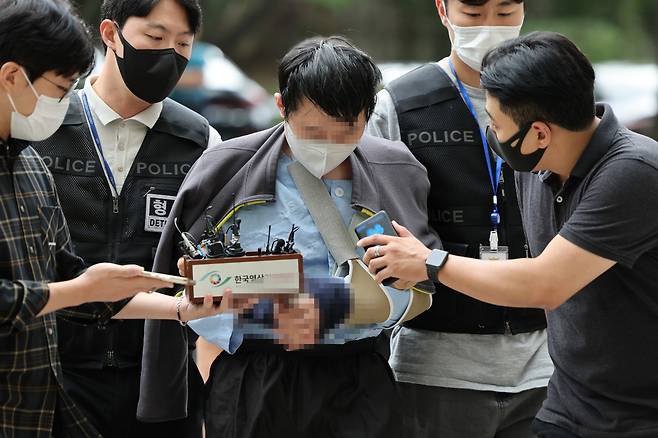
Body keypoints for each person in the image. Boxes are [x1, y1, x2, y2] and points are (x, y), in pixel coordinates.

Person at [137, 36, 441, 438]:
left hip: (359, 378)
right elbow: (182, 288)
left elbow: (422, 278)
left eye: (348, 129)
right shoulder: (226, 169)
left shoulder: (397, 168)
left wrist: (335, 312)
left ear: (369, 112)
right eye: (314, 130)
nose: (331, 144)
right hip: (255, 378)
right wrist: (264, 319)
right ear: (281, 106)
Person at [359, 31, 658, 438]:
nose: (493, 138)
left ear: (539, 133)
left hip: (638, 413)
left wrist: (429, 262)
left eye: (497, 125)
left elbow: (544, 283)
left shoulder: (634, 172)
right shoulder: (536, 166)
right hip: (571, 402)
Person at [0, 1, 221, 437]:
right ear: (111, 34)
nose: (168, 56)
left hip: (150, 383)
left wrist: (183, 307)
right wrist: (80, 288)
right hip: (49, 378)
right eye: (155, 39)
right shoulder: (39, 139)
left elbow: (78, 279)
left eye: (182, 45)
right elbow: (76, 286)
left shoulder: (199, 142)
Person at [367, 1, 552, 436]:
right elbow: (368, 230)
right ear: (443, 10)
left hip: (549, 366)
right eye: (473, 13)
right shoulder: (399, 105)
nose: (490, 26)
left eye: (505, 13)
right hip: (435, 368)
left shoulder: (552, 97)